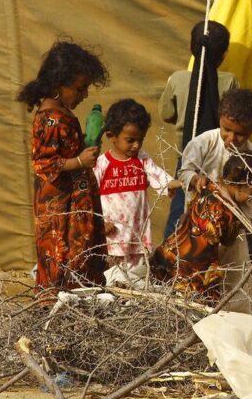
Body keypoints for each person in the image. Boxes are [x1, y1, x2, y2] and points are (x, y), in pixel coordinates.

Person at [18, 41, 110, 294]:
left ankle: (77, 302)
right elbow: (43, 163)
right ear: (58, 85)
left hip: (73, 204)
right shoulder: (51, 119)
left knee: (78, 256)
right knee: (64, 256)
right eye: (80, 89)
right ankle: (60, 308)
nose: (84, 95)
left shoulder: (60, 114)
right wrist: (80, 161)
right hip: (62, 208)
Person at [177, 87, 252, 311]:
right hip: (200, 229)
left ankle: (236, 323)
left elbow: (251, 195)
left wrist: (234, 203)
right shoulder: (204, 143)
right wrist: (196, 179)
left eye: (240, 134)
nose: (232, 138)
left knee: (235, 280)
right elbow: (184, 172)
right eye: (227, 129)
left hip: (233, 233)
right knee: (197, 279)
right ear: (220, 119)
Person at [159, 21, 238, 238]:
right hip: (219, 158)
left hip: (186, 156)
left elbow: (166, 114)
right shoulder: (229, 81)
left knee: (180, 211)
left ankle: (169, 260)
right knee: (220, 211)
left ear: (191, 48)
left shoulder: (177, 79)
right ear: (224, 54)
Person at [151, 154, 252, 302]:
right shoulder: (228, 212)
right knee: (209, 306)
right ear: (240, 186)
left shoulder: (208, 187)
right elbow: (227, 240)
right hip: (190, 274)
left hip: (165, 257)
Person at [92, 99, 180, 288]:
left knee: (135, 284)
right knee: (111, 282)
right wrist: (99, 222)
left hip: (138, 240)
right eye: (130, 140)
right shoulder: (101, 164)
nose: (136, 145)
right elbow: (89, 198)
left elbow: (161, 178)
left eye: (140, 139)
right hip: (111, 241)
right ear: (112, 136)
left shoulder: (142, 160)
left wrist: (183, 182)